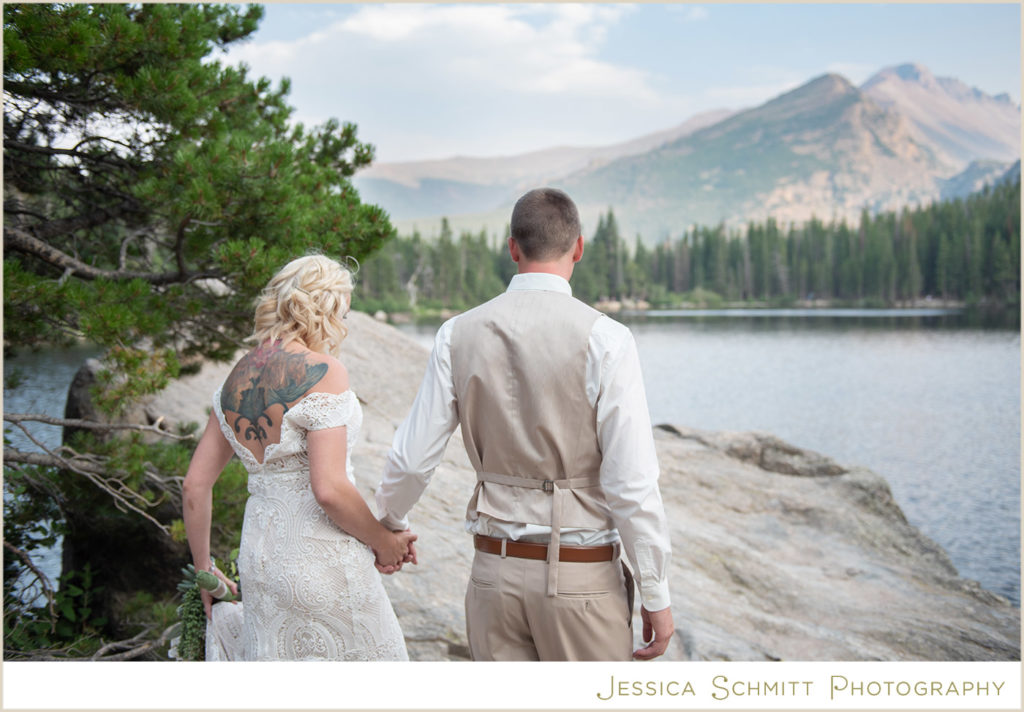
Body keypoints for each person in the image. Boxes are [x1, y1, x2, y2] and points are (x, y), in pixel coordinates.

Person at [376, 188, 674, 661]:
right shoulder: (607, 339)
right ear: (578, 247)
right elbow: (632, 484)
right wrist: (655, 592)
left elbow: (412, 461)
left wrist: (388, 524)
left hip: (492, 576)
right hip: (581, 582)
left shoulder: (457, 333)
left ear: (513, 247)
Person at [182, 254, 416, 661]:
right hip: (321, 559)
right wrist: (384, 542)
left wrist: (205, 571)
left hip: (260, 562)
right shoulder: (325, 371)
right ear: (326, 307)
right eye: (343, 309)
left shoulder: (233, 379)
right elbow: (328, 489)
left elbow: (194, 486)